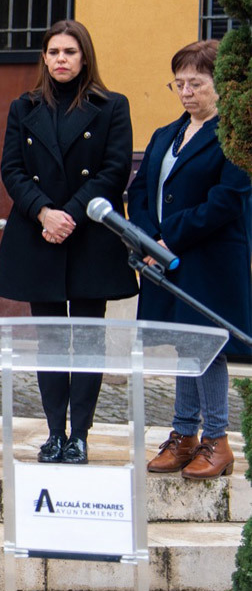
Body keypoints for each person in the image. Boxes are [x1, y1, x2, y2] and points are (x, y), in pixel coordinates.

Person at [0, 20, 137, 464]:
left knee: (89, 340)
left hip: (91, 235)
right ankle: (55, 432)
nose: (60, 60)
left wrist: (69, 213)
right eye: (53, 52)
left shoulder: (111, 106)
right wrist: (44, 213)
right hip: (40, 235)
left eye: (69, 52)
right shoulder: (24, 106)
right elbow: (11, 169)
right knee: (51, 340)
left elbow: (114, 170)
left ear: (84, 57)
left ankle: (81, 435)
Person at [129, 39, 252, 479]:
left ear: (220, 86)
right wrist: (145, 236)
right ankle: (184, 436)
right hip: (166, 261)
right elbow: (140, 189)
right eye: (178, 83)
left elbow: (226, 202)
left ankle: (217, 440)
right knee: (184, 347)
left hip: (210, 261)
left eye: (196, 83)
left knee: (207, 347)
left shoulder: (234, 137)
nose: (186, 92)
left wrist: (167, 237)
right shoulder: (166, 134)